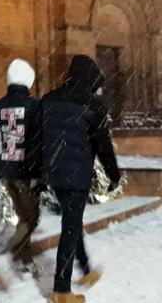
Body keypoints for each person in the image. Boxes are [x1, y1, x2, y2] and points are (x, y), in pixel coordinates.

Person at [41, 55, 121, 303]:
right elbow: (103, 145)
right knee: (71, 226)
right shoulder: (93, 106)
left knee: (72, 222)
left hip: (53, 174)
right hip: (76, 176)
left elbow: (38, 135)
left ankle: (85, 269)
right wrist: (114, 174)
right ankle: (61, 290)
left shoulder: (48, 99)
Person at [0, 59, 43, 278]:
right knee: (31, 218)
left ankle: (26, 260)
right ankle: (11, 253)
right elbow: (38, 143)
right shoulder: (34, 106)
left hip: (6, 171)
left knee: (23, 216)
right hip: (26, 173)